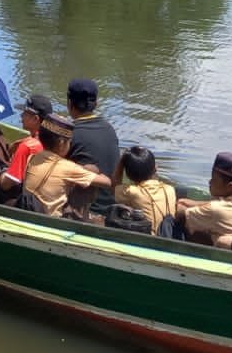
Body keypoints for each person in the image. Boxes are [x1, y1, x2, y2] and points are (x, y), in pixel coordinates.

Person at [24, 114, 112, 219]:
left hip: (28, 208)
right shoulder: (68, 167)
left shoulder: (33, 157)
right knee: (92, 169)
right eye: (69, 142)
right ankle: (82, 218)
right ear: (61, 143)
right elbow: (107, 183)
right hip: (49, 219)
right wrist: (92, 172)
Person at [176, 151, 232, 250]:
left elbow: (180, 212)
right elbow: (221, 204)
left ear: (230, 187)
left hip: (231, 253)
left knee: (176, 221)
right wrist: (192, 203)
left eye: (214, 179)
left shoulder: (215, 210)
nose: (210, 182)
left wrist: (173, 202)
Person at [64, 78, 119, 216]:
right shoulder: (109, 129)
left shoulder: (69, 134)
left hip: (85, 210)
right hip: (111, 207)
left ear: (69, 103)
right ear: (96, 103)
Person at [111, 145, 176, 236]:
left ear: (128, 175)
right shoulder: (170, 189)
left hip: (148, 239)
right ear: (156, 168)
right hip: (169, 236)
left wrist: (121, 162)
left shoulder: (132, 192)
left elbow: (114, 186)